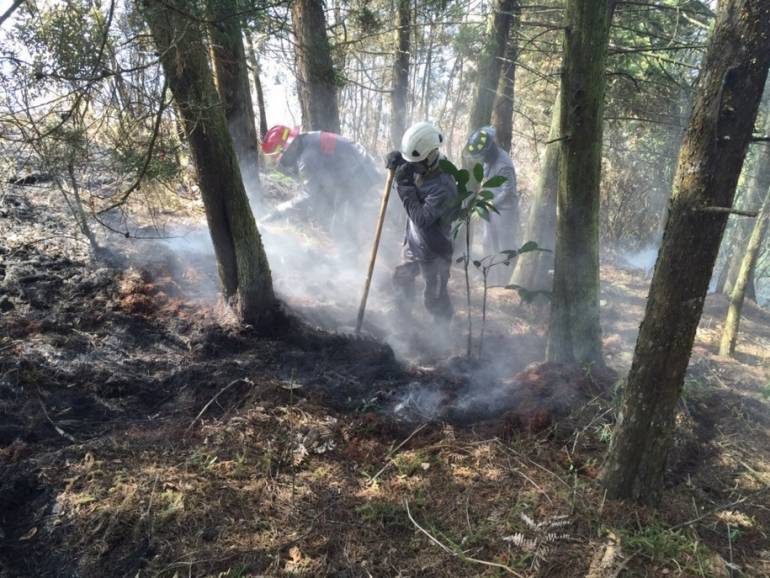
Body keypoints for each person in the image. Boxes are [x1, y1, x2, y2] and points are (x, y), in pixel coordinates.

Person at [385, 121, 458, 324]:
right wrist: (396, 164)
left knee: (434, 298)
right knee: (401, 279)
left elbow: (421, 218)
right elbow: (407, 175)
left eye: (415, 164)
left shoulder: (444, 185)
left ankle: (442, 337)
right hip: (414, 243)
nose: (412, 168)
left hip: (435, 251)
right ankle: (402, 324)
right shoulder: (421, 164)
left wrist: (404, 185)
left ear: (432, 156)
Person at [260, 125, 381, 237]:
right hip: (358, 170)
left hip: (359, 175)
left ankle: (351, 256)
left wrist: (280, 212)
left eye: (277, 156)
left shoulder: (308, 156)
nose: (279, 160)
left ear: (285, 148)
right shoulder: (308, 139)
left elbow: (310, 195)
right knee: (338, 217)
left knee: (342, 224)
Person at [464, 126, 519, 284]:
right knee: (488, 242)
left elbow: (507, 191)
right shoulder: (490, 159)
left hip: (505, 210)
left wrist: (487, 205)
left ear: (489, 150)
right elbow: (487, 182)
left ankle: (506, 280)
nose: (481, 158)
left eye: (482, 155)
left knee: (504, 245)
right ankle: (489, 276)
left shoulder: (504, 164)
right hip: (491, 206)